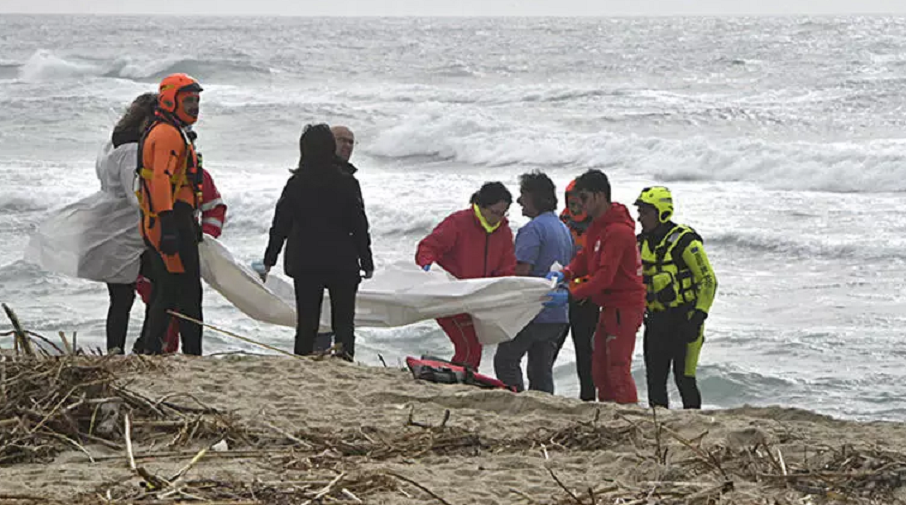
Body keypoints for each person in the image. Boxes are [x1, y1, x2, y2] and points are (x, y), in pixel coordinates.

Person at [261, 123, 374, 361]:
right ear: (331, 147)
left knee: (307, 321)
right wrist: (367, 260)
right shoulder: (347, 182)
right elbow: (359, 225)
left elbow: (280, 225)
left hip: (306, 262)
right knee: (344, 321)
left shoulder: (296, 183)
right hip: (342, 261)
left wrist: (269, 260)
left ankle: (302, 361)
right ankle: (344, 362)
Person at [548, 170, 646, 404]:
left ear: (599, 196)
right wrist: (566, 272)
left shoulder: (619, 231)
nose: (579, 205)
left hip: (624, 306)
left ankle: (628, 414)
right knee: (599, 367)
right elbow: (586, 259)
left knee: (618, 367)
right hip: (608, 305)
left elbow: (605, 276)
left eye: (584, 198)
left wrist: (571, 295)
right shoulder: (597, 227)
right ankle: (608, 411)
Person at [135, 73, 205, 355]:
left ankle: (149, 347)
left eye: (197, 101)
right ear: (169, 100)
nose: (195, 106)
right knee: (187, 293)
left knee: (169, 289)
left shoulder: (170, 130)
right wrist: (169, 226)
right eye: (188, 100)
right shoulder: (166, 135)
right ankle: (190, 354)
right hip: (169, 220)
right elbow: (161, 180)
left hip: (171, 218)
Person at [415, 182, 516, 371]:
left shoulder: (504, 232)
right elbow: (427, 247)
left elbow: (507, 268)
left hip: (478, 299)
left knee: (473, 345)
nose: (499, 218)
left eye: (503, 213)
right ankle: (463, 376)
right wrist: (428, 267)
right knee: (470, 344)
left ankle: (462, 375)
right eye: (495, 212)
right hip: (449, 296)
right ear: (482, 206)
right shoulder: (459, 223)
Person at [635, 186, 717, 409]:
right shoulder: (640, 243)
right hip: (656, 321)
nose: (640, 217)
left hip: (686, 321)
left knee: (685, 380)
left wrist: (698, 317)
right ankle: (659, 429)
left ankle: (695, 425)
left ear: (661, 212)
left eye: (644, 212)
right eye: (640, 212)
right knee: (655, 382)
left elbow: (709, 280)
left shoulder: (685, 242)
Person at [135, 157, 227, 354]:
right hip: (154, 250)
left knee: (186, 303)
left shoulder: (199, 177)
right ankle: (156, 350)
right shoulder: (151, 177)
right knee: (157, 299)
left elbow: (215, 208)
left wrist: (205, 238)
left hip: (185, 246)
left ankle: (188, 354)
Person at [493, 171, 573, 393]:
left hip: (533, 311)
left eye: (523, 196)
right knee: (541, 369)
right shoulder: (562, 228)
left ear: (536, 198)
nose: (518, 201)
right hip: (557, 313)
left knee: (506, 360)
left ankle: (514, 399)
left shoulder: (533, 229)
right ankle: (543, 404)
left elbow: (523, 272)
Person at [96, 93, 158, 353]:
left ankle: (116, 351)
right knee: (160, 290)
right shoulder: (133, 150)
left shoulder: (112, 146)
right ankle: (141, 346)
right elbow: (136, 196)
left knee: (120, 298)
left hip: (112, 227)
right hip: (130, 232)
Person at [314, 125, 358, 353]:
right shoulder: (311, 174)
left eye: (351, 142)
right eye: (342, 140)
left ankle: (343, 357)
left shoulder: (349, 177)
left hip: (342, 260)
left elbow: (358, 223)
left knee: (343, 320)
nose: (347, 146)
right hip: (314, 258)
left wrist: (364, 259)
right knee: (314, 316)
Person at [555, 179, 599, 401]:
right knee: (547, 352)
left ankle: (588, 401)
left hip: (587, 299)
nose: (576, 208)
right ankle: (540, 395)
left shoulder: (600, 226)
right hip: (561, 296)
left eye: (580, 202)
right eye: (572, 203)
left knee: (586, 356)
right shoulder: (561, 222)